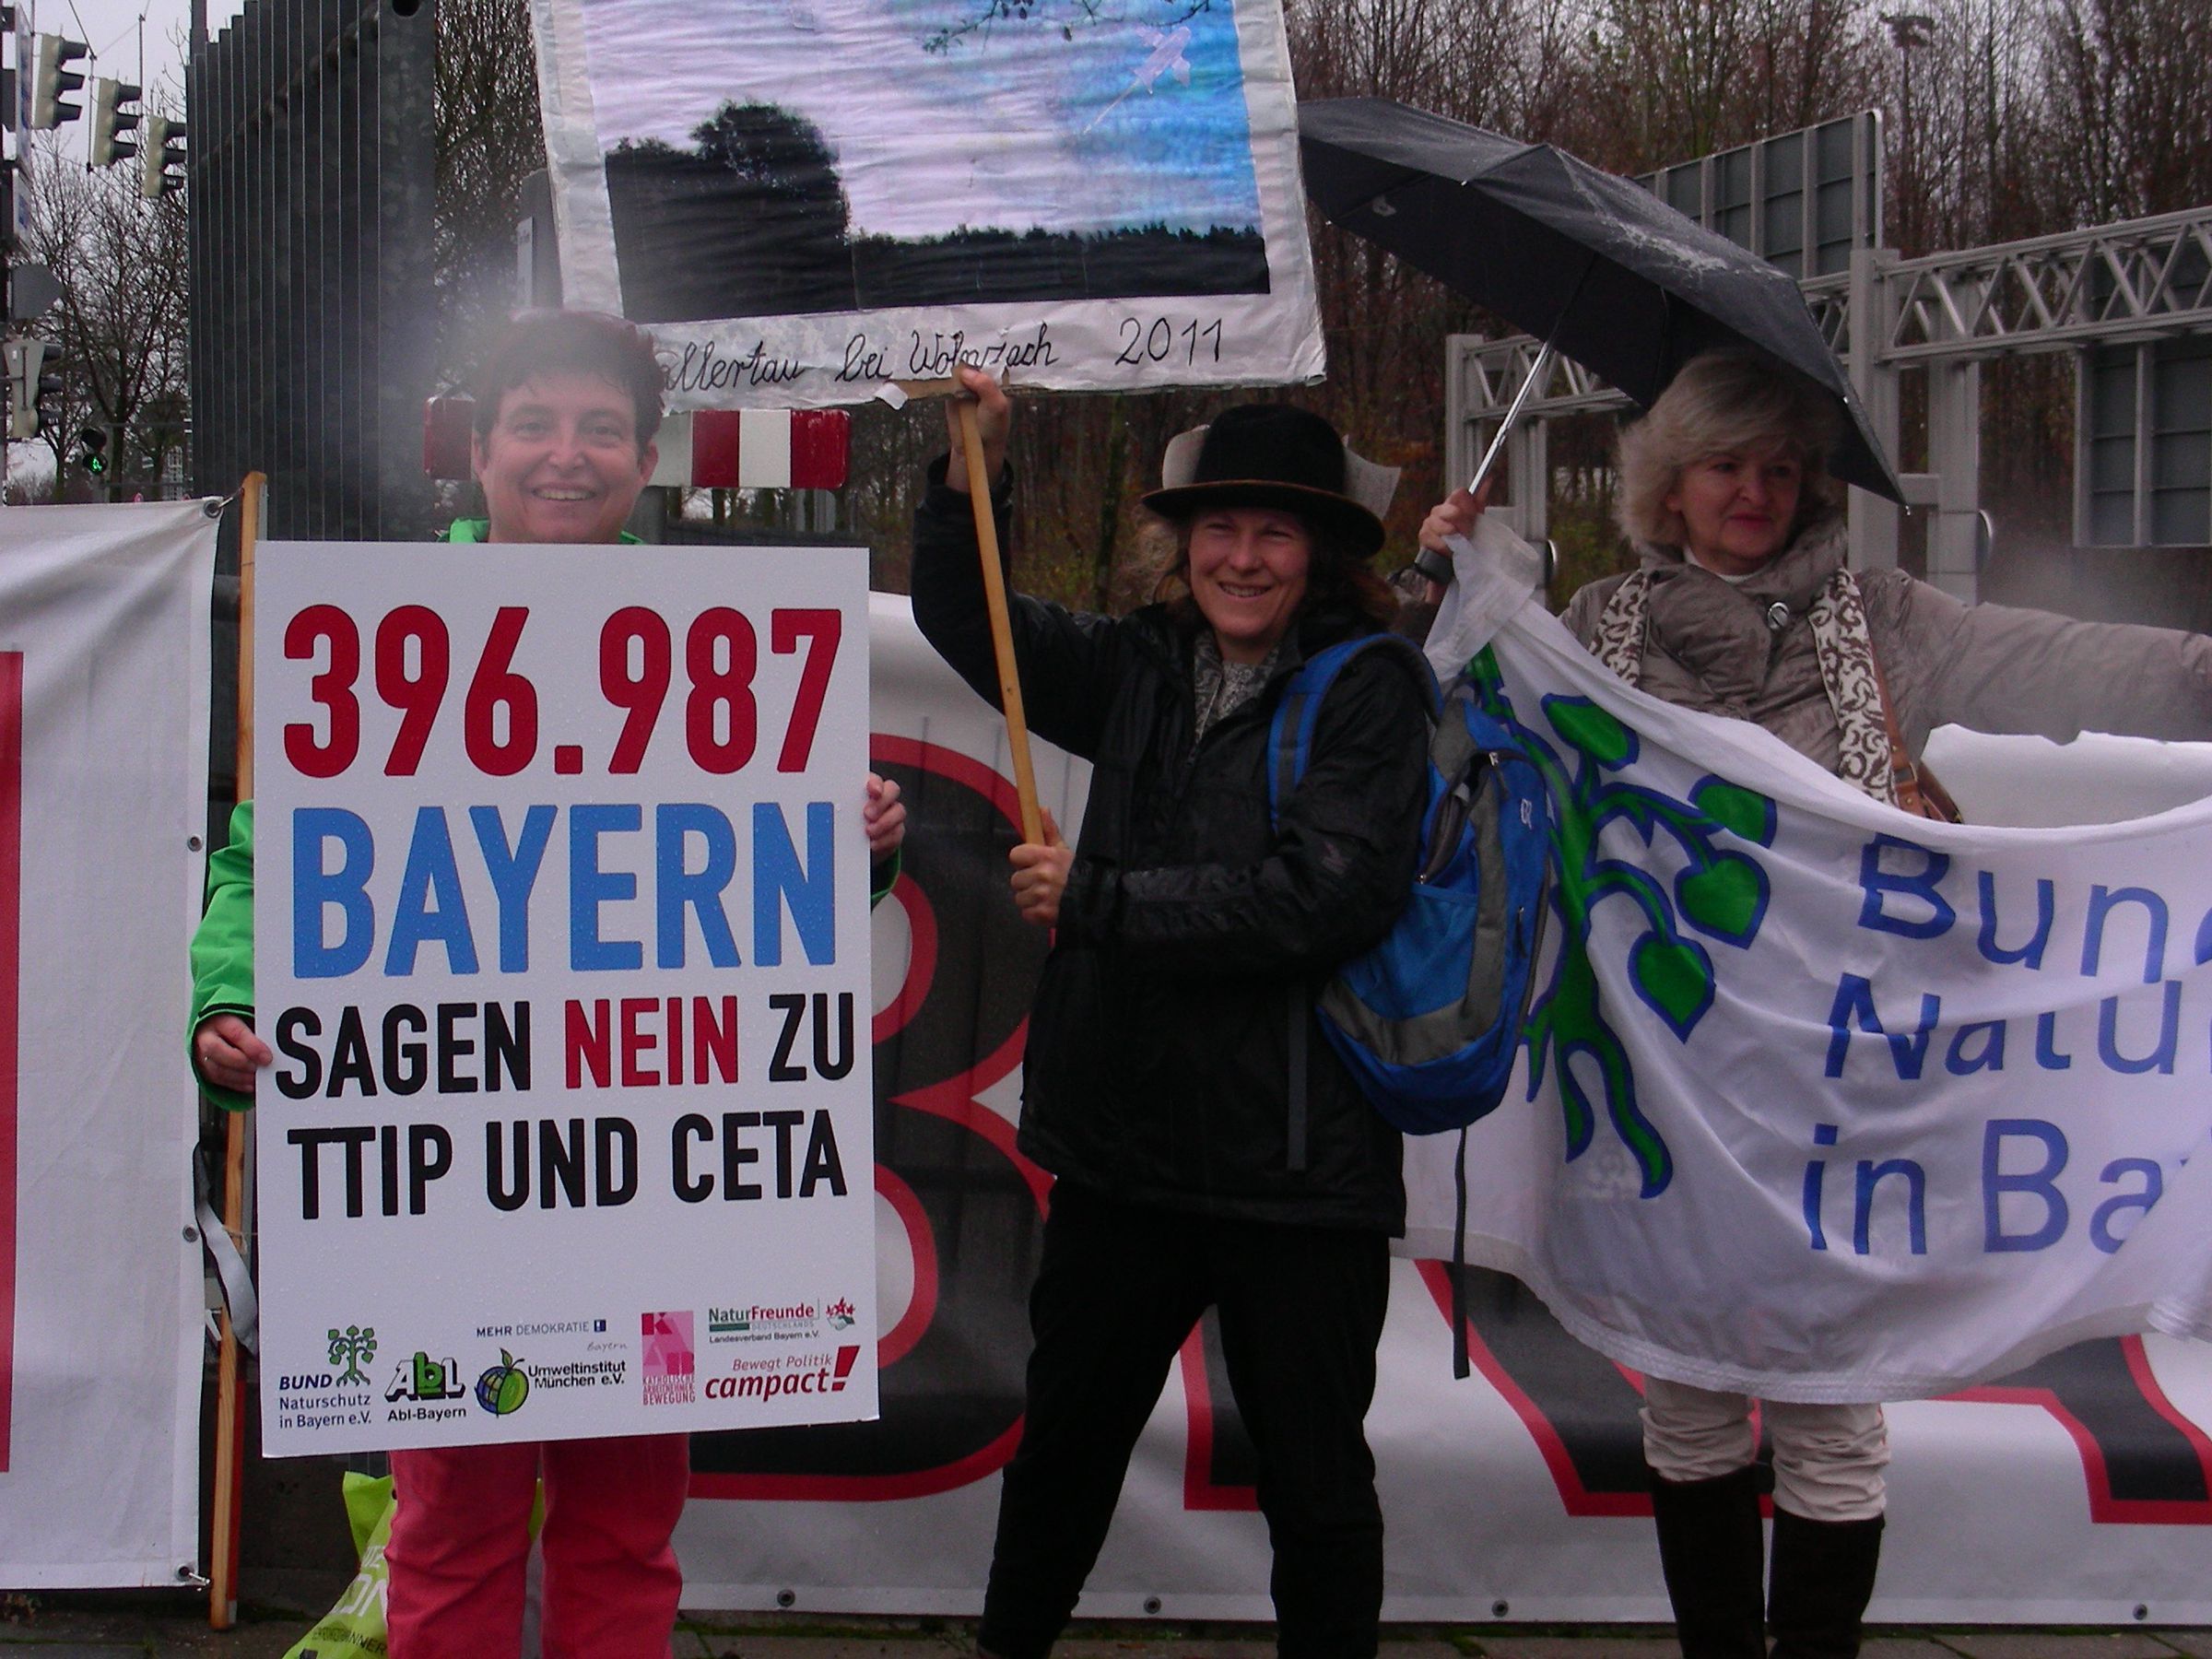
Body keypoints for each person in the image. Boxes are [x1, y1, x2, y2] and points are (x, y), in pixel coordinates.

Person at [1418, 346, 2212, 1659]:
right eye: (1727, 466)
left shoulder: (1885, 624)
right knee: (1686, 1403)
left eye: (1782, 470)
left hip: (1847, 1091)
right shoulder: (1599, 629)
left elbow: (2076, 664)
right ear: (1670, 484)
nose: (1756, 493)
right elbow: (1443, 707)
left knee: (1831, 1408)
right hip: (1664, 1087)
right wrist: (1445, 585)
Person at [187, 307, 906, 1659]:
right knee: (445, 1531)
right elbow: (267, 856)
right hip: (449, 1197)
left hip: (643, 1193)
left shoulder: (719, 642)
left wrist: (854, 849)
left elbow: (767, 917)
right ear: (480, 451)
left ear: (646, 458)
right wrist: (225, 1002)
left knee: (624, 1530)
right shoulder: (381, 631)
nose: (566, 455)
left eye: (600, 430)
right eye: (534, 424)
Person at [910, 366, 1432, 1659]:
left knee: (1315, 1484)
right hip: (1122, 1156)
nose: (1241, 559)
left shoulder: (1374, 689)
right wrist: (971, 471)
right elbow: (965, 614)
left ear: (1321, 555)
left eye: (1274, 533)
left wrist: (1101, 899)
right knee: (1064, 1458)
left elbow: (1324, 896)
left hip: (1297, 1173)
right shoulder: (1134, 664)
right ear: (1182, 543)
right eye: (1219, 528)